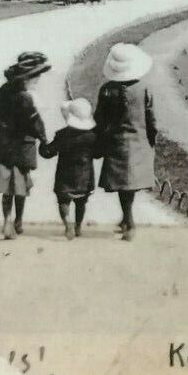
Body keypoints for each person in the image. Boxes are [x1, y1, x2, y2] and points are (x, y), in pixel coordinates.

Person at [0, 51, 50, 239]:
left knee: (7, 188)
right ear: (27, 78)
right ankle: (19, 221)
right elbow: (35, 122)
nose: (38, 79)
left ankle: (7, 219)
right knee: (20, 185)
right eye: (36, 76)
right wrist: (44, 140)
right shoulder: (25, 98)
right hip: (21, 147)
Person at [94, 42, 156, 241]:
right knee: (130, 184)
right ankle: (129, 221)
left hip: (115, 143)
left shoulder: (106, 90)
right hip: (138, 140)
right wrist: (152, 140)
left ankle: (127, 220)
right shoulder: (144, 88)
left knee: (124, 185)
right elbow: (152, 120)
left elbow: (99, 120)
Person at [40, 97, 99, 239]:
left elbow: (48, 153)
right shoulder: (92, 136)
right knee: (81, 201)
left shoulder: (62, 135)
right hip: (85, 175)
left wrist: (42, 143)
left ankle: (68, 224)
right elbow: (98, 154)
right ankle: (78, 226)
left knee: (63, 201)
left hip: (65, 174)